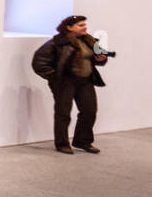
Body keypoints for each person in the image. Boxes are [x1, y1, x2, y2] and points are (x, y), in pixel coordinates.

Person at [31, 14, 108, 154]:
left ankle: (83, 141)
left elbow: (100, 59)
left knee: (89, 111)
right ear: (69, 27)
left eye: (85, 24)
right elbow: (39, 62)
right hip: (65, 82)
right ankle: (62, 144)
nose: (85, 27)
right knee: (63, 113)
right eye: (81, 25)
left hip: (85, 81)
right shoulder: (57, 43)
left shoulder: (89, 41)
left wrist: (101, 58)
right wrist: (55, 78)